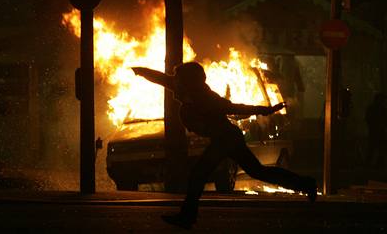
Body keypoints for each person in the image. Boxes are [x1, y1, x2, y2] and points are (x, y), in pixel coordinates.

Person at [132, 62, 317, 230]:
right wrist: (141, 71)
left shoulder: (206, 97)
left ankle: (187, 217)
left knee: (199, 174)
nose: (174, 83)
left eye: (179, 79)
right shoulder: (184, 89)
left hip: (226, 138)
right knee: (257, 171)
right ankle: (306, 184)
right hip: (224, 139)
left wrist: (265, 110)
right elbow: (161, 78)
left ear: (189, 81)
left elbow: (236, 108)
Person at [365, 93, 387, 168]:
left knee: (377, 148)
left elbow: (385, 120)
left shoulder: (379, 108)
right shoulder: (379, 109)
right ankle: (374, 163)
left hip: (377, 131)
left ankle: (376, 163)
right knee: (374, 148)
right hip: (376, 131)